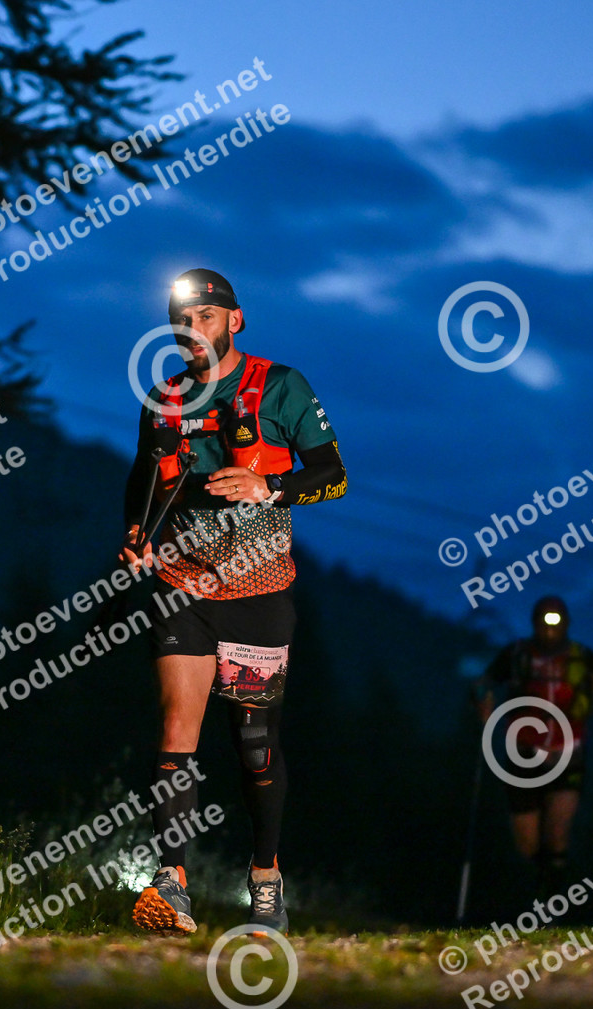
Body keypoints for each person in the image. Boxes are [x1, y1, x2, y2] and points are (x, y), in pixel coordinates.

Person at [121, 268, 346, 935]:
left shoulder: (281, 386)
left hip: (259, 588)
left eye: (206, 318)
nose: (193, 331)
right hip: (183, 583)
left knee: (254, 744)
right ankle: (172, 883)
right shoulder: (163, 399)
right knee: (176, 728)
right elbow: (142, 479)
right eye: (182, 321)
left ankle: (266, 878)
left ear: (234, 321)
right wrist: (135, 534)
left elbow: (334, 475)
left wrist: (268, 487)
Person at [475, 596, 593, 896]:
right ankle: (538, 884)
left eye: (556, 622)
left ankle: (552, 902)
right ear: (534, 623)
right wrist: (483, 699)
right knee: (527, 843)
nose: (550, 630)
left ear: (567, 623)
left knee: (558, 832)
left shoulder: (583, 657)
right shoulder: (516, 654)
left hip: (569, 752)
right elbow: (484, 681)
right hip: (524, 752)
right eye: (544, 622)